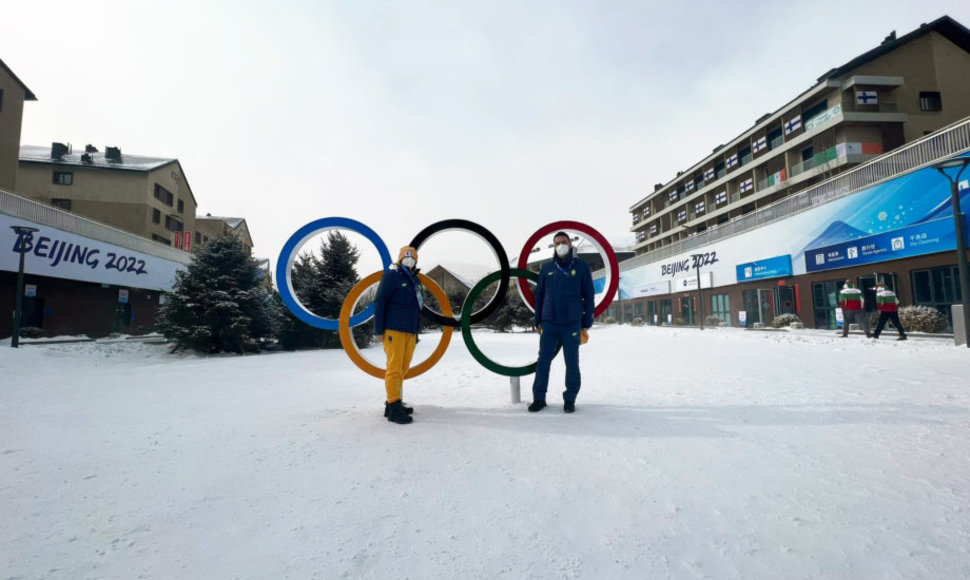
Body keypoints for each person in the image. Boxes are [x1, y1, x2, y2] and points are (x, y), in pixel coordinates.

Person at [528, 231, 595, 414]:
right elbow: (539, 295)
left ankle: (570, 399)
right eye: (557, 243)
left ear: (570, 244)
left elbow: (589, 295)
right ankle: (539, 398)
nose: (561, 245)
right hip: (549, 323)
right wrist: (538, 320)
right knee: (543, 361)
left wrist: (587, 320)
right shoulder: (547, 268)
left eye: (564, 242)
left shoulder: (581, 267)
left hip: (572, 323)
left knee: (571, 362)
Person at [374, 246, 424, 424]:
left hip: (410, 330)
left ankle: (392, 404)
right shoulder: (392, 276)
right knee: (394, 368)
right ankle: (394, 406)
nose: (409, 259)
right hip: (394, 329)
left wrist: (416, 332)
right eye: (406, 256)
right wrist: (379, 330)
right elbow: (380, 302)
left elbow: (417, 309)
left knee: (403, 367)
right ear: (400, 258)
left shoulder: (414, 281)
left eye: (412, 257)